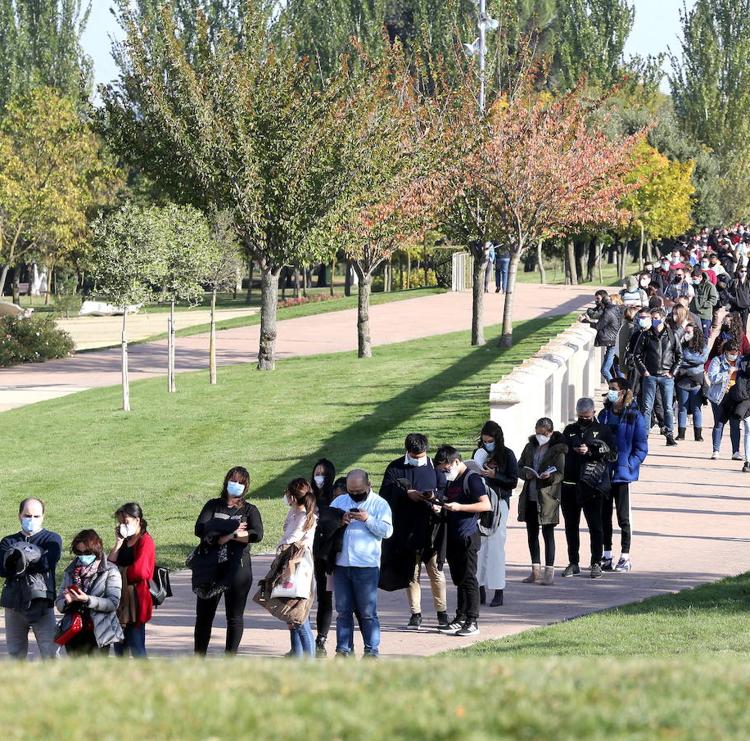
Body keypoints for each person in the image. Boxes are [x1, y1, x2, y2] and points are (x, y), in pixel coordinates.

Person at [379, 433, 448, 631]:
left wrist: (435, 499)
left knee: (436, 572)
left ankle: (442, 612)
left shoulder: (435, 467)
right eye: (415, 456)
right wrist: (405, 494)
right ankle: (415, 613)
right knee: (412, 574)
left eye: (422, 456)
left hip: (431, 529)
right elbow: (385, 494)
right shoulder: (395, 467)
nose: (419, 459)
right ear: (408, 451)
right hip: (406, 531)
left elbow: (445, 489)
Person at [192, 466, 264, 655]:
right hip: (210, 568)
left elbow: (256, 534)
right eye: (233, 480)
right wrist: (233, 527)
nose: (236, 485)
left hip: (237, 568)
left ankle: (230, 658)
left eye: (241, 483)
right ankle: (199, 658)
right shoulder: (213, 505)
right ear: (226, 481)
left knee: (234, 617)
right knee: (204, 617)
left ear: (246, 487)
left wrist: (229, 535)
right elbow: (201, 529)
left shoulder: (250, 510)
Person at [330, 469, 393, 658]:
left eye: (359, 491)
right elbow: (324, 523)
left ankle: (371, 650)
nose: (355, 495)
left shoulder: (379, 504)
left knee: (367, 611)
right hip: (342, 564)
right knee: (343, 611)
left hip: (366, 566)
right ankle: (344, 650)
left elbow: (387, 531)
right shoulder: (340, 502)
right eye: (351, 491)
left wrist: (368, 519)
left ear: (368, 485)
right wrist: (340, 521)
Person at [434, 446, 492, 636]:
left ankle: (472, 620)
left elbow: (485, 505)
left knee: (469, 579)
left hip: (468, 535)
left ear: (456, 462)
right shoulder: (452, 481)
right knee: (459, 579)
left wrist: (460, 507)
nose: (444, 473)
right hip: (453, 536)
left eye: (445, 469)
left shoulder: (472, 479)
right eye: (441, 470)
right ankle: (460, 617)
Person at [560, 398, 617, 579]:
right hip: (570, 484)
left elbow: (613, 454)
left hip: (593, 485)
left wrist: (591, 451)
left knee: (595, 526)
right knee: (571, 525)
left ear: (593, 412)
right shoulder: (570, 430)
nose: (583, 418)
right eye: (580, 416)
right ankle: (573, 562)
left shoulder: (603, 430)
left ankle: (596, 562)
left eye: (587, 416)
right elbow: (561, 451)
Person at [0, 498, 62, 660]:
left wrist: (18, 559)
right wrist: (34, 555)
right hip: (14, 606)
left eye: (36, 516)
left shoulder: (51, 539)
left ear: (43, 516)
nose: (31, 520)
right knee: (15, 655)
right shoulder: (8, 541)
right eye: (27, 515)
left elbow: (47, 563)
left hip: (42, 604)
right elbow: (3, 569)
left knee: (51, 654)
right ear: (19, 516)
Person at [597, 379, 648, 573]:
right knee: (604, 517)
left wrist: (629, 464)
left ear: (624, 392)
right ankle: (606, 554)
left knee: (623, 517)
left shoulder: (634, 416)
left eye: (614, 389)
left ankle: (625, 556)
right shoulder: (603, 415)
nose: (610, 392)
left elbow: (641, 447)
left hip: (622, 474)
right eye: (609, 389)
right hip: (603, 473)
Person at [55, 530, 123, 656]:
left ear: (96, 549)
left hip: (99, 632)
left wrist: (87, 599)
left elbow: (113, 603)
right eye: (78, 553)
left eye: (87, 552)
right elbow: (59, 603)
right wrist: (66, 602)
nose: (82, 556)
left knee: (97, 672)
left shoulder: (110, 571)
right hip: (74, 631)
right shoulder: (71, 571)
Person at [472, 421, 518, 607]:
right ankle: (479, 587)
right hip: (481, 502)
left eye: (490, 440)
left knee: (497, 545)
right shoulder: (479, 453)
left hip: (499, 502)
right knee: (480, 546)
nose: (487, 443)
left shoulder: (507, 455)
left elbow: (513, 481)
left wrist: (494, 476)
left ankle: (498, 590)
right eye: (484, 440)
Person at [516, 419, 567, 585]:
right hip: (530, 496)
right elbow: (519, 467)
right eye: (538, 433)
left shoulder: (557, 451)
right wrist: (526, 474)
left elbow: (560, 474)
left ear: (551, 433)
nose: (540, 436)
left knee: (548, 534)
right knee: (532, 534)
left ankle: (549, 572)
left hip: (547, 498)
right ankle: (535, 571)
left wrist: (549, 476)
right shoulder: (530, 447)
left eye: (544, 434)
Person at [107, 503, 155, 658]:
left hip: (135, 603)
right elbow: (109, 565)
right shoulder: (125, 541)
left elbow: (141, 571)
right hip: (119, 602)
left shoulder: (145, 541)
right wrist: (118, 543)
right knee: (119, 649)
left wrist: (118, 573)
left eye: (125, 522)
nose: (122, 525)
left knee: (137, 648)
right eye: (120, 522)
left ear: (138, 520)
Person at [279, 478, 318, 658]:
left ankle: (308, 660)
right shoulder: (295, 513)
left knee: (300, 618)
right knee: (292, 617)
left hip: (296, 568)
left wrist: (281, 552)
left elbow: (291, 540)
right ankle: (297, 653)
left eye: (287, 493)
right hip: (292, 567)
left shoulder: (304, 517)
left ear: (293, 497)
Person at [633, 307, 682, 446]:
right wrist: (644, 372)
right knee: (647, 407)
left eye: (655, 318)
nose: (653, 321)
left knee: (667, 407)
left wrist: (672, 372)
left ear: (662, 318)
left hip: (666, 376)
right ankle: (644, 435)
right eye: (652, 318)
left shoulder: (672, 335)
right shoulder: (645, 335)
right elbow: (637, 355)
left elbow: (679, 356)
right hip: (650, 376)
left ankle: (669, 434)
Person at [310, 458, 336, 656]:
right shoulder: (309, 495)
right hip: (307, 552)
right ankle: (300, 640)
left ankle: (322, 637)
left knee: (325, 596)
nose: (319, 477)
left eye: (323, 474)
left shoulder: (334, 497)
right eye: (316, 473)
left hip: (326, 553)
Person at [707, 341, 744, 461]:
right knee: (719, 423)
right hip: (719, 396)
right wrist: (727, 373)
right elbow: (712, 377)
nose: (734, 355)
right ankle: (716, 450)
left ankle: (736, 452)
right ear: (725, 352)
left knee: (735, 424)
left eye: (736, 353)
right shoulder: (717, 360)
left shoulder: (741, 361)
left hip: (735, 396)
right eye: (731, 353)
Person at [675, 322, 709, 441]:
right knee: (682, 407)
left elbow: (703, 359)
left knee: (696, 408)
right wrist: (692, 361)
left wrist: (687, 358)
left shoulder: (703, 346)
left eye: (688, 332)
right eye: (685, 332)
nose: (687, 334)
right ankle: (681, 433)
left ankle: (698, 434)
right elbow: (678, 359)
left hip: (696, 381)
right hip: (682, 380)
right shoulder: (681, 345)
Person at [588, 292, 623, 382]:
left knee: (605, 370)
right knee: (616, 368)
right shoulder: (616, 310)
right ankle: (620, 389)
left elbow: (598, 326)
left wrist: (586, 321)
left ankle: (617, 389)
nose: (596, 301)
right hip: (614, 341)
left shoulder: (608, 312)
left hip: (612, 342)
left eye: (598, 299)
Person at [690, 268, 718, 339]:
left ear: (700, 277)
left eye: (695, 279)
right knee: (693, 335)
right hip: (693, 314)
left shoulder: (710, 286)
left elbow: (714, 300)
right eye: (693, 279)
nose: (694, 280)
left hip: (704, 316)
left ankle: (704, 349)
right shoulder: (693, 286)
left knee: (704, 336)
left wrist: (702, 304)